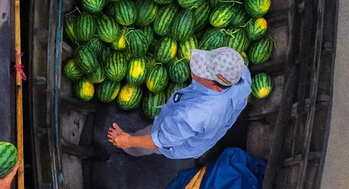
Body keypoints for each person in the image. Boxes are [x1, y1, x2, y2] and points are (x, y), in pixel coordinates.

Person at [108, 47, 252, 160]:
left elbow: (160, 141)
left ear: (217, 87)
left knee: (146, 143)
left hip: (179, 144)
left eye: (202, 73)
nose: (194, 68)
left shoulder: (193, 115)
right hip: (206, 136)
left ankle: (130, 150)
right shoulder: (242, 74)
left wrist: (129, 141)